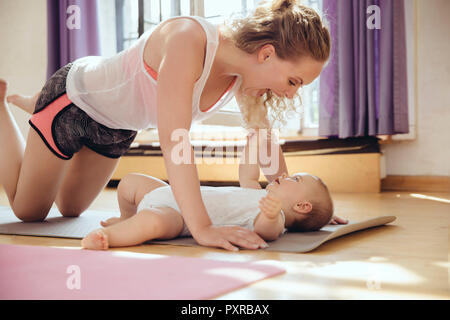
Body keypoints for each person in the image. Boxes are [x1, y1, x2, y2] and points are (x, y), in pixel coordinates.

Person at [0, 0, 332, 251]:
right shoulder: (188, 39)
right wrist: (201, 228)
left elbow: (263, 139)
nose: (291, 93)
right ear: (267, 54)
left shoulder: (245, 79)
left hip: (117, 128)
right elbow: (175, 142)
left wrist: (305, 208)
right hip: (74, 104)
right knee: (29, 211)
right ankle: (13, 105)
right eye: (293, 80)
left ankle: (36, 108)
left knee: (70, 209)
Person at [81, 131, 338, 250]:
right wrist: (256, 140)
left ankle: (109, 237)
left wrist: (271, 215)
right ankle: (127, 219)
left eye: (294, 179)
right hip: (176, 193)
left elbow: (265, 232)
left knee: (152, 222)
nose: (284, 176)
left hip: (177, 215)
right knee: (130, 182)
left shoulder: (276, 217)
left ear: (302, 206)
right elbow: (248, 173)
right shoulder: (258, 193)